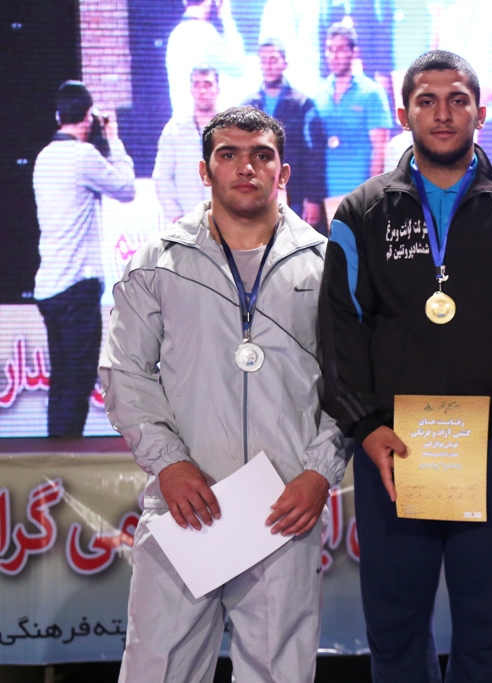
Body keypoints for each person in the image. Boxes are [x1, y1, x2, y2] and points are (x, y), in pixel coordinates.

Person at [318, 50, 492, 683]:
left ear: (480, 113)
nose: (443, 114)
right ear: (403, 114)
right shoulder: (362, 212)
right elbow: (340, 331)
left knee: (489, 625)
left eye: (457, 100)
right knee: (394, 626)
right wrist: (365, 426)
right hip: (396, 446)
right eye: (427, 101)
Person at [100, 107, 346, 683]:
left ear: (283, 172)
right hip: (184, 505)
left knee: (279, 675)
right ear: (205, 170)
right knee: (157, 672)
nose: (246, 167)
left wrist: (319, 473)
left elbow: (352, 384)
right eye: (228, 154)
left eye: (262, 155)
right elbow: (125, 372)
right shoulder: (158, 261)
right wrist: (169, 464)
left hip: (283, 508)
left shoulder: (326, 265)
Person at [33, 80, 136, 437]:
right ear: (89, 116)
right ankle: (66, 459)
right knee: (75, 386)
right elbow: (126, 188)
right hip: (76, 288)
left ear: (58, 116)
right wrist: (114, 139)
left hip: (49, 288)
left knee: (62, 382)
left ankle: (54, 460)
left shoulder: (43, 157)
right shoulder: (83, 156)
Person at [243, 39, 326, 232]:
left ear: (285, 63)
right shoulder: (248, 106)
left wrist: (313, 199)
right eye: (264, 60)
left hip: (296, 194)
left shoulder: (303, 104)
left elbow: (315, 155)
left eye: (273, 59)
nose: (269, 65)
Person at [314, 23, 392, 202]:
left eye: (340, 49)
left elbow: (379, 149)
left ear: (354, 52)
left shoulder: (372, 93)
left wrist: (373, 195)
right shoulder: (318, 94)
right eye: (330, 49)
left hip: (360, 194)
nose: (334, 56)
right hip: (325, 193)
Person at [153, 65, 218, 225]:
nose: (202, 91)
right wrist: (177, 217)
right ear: (190, 89)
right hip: (187, 225)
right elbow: (162, 178)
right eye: (197, 84)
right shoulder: (174, 131)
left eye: (208, 84)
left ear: (218, 89)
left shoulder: (233, 130)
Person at [165, 0, 244, 119]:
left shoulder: (175, 35)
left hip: (181, 120)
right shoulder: (204, 32)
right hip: (203, 120)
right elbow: (237, 67)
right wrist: (227, 19)